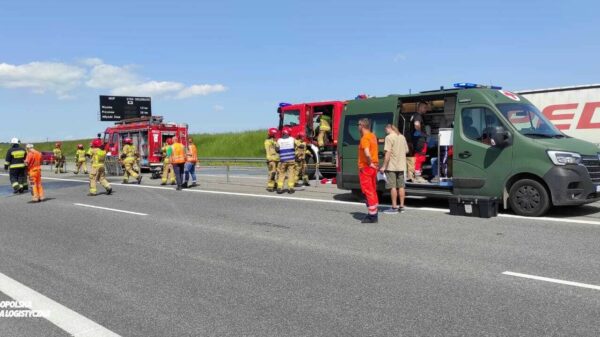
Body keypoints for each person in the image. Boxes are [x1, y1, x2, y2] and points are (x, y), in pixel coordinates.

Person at [380, 124, 408, 214]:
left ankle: (394, 207)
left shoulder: (389, 138)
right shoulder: (402, 137)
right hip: (402, 165)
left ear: (389, 128)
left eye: (385, 129)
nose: (385, 131)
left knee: (393, 186)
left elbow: (387, 153)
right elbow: (407, 150)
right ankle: (402, 207)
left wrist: (384, 166)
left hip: (392, 166)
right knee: (401, 186)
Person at [357, 118, 379, 223]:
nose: (358, 127)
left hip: (366, 167)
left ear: (362, 125)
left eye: (358, 124)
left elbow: (367, 153)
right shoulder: (373, 136)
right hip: (373, 167)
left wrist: (369, 162)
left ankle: (372, 216)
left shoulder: (364, 138)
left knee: (368, 191)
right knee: (373, 190)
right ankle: (374, 212)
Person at [408, 102, 429, 183]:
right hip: (420, 141)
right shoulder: (418, 116)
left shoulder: (414, 115)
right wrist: (420, 132)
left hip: (416, 141)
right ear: (420, 107)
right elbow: (417, 124)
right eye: (425, 108)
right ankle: (417, 176)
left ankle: (417, 175)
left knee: (418, 157)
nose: (426, 110)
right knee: (419, 158)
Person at [276, 127, 296, 194]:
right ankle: (290, 188)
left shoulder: (279, 140)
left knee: (282, 174)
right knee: (291, 174)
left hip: (283, 160)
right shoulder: (292, 139)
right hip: (291, 160)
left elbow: (277, 149)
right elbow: (297, 146)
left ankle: (279, 188)